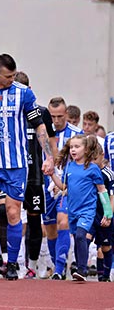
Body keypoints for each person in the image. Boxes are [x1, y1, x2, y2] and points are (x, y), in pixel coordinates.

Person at [0, 54, 54, 280]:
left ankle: (13, 263)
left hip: (16, 164)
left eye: (13, 75)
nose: (11, 79)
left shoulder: (23, 93)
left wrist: (48, 156)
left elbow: (39, 126)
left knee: (12, 212)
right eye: (7, 76)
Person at [14, 72, 57, 279]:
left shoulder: (40, 113)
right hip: (13, 172)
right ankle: (11, 262)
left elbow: (51, 140)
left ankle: (33, 263)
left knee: (34, 219)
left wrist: (52, 164)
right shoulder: (9, 113)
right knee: (10, 216)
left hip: (35, 175)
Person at [51, 135, 112, 281]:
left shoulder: (93, 169)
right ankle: (80, 268)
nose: (73, 150)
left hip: (87, 210)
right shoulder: (69, 167)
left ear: (86, 149)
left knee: (80, 235)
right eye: (71, 147)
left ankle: (82, 270)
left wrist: (108, 212)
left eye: (77, 147)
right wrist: (52, 175)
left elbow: (102, 190)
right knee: (78, 239)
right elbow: (64, 187)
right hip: (73, 210)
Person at [46, 96, 83, 280]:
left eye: (60, 116)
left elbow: (83, 161)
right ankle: (55, 262)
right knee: (50, 228)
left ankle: (60, 268)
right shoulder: (42, 132)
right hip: (46, 184)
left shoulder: (77, 134)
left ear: (66, 114)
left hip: (67, 186)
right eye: (52, 116)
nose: (56, 120)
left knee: (63, 221)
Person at [87, 155, 114, 281]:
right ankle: (81, 269)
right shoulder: (89, 171)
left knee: (104, 247)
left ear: (102, 156)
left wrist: (108, 215)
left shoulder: (108, 174)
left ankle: (105, 277)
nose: (92, 161)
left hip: (104, 215)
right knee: (83, 239)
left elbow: (112, 197)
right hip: (90, 214)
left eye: (94, 158)